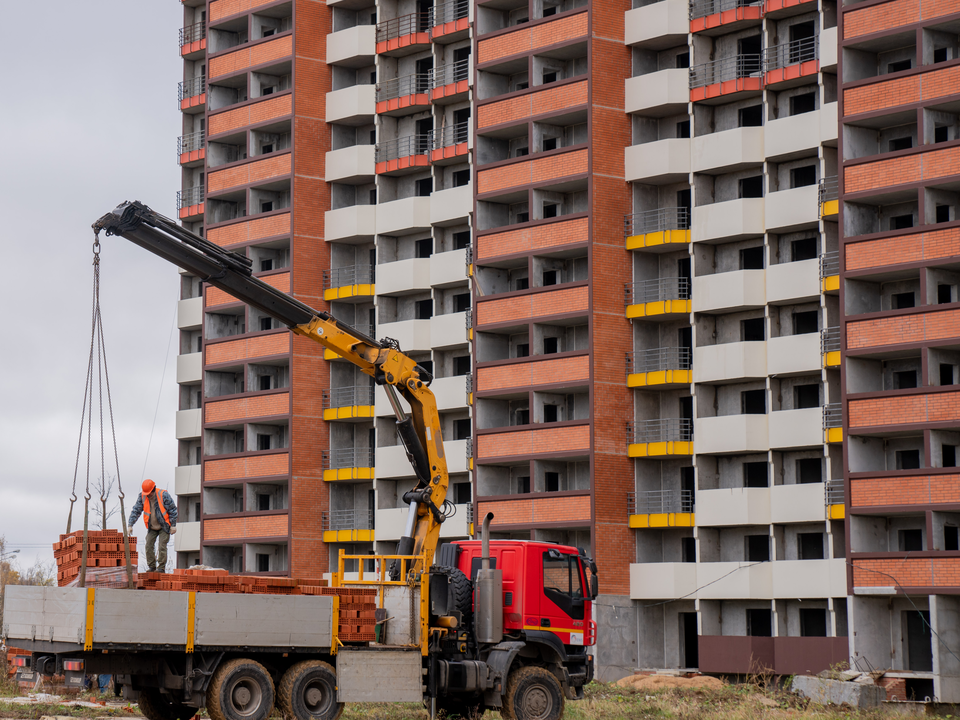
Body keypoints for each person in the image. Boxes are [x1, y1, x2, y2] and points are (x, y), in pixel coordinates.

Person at [128, 479, 178, 572]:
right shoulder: (142, 496)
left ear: (153, 490)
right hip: (152, 527)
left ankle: (161, 568)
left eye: (149, 493)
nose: (148, 495)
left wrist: (173, 525)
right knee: (148, 544)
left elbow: (173, 510)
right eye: (146, 493)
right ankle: (152, 566)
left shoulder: (163, 495)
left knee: (162, 545)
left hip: (164, 526)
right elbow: (136, 510)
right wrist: (130, 524)